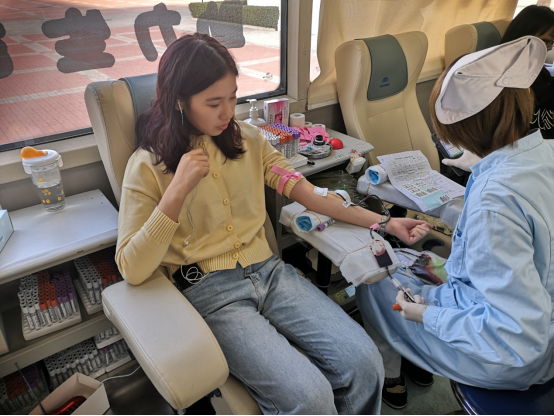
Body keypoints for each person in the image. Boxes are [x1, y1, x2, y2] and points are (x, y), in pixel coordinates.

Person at [115, 33, 432, 415]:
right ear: (179, 102)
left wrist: (385, 223)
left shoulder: (248, 141)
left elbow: (312, 196)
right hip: (209, 292)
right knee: (309, 396)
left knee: (365, 362)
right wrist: (176, 191)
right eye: (214, 103)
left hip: (269, 272)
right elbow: (131, 268)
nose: (227, 113)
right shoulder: (147, 165)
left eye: (232, 97)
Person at [357, 36, 554, 410]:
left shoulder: (495, 202)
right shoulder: (543, 154)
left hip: (508, 358)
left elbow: (516, 337)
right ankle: (415, 359)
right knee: (416, 266)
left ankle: (394, 370)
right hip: (539, 324)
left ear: (462, 129)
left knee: (374, 281)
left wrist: (427, 316)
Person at [501, 5, 554, 139]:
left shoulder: (535, 68)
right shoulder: (506, 77)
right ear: (522, 35)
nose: (548, 48)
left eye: (552, 43)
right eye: (544, 42)